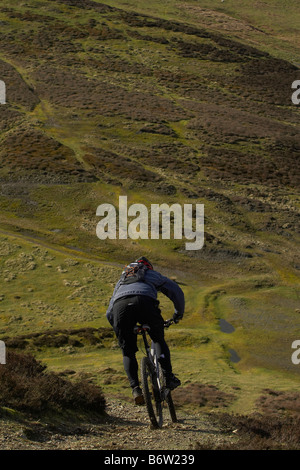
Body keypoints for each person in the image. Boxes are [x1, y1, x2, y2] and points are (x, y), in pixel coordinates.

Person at [106, 256, 185, 405]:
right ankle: (169, 379)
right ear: (148, 266)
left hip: (120, 308)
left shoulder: (121, 281)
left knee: (128, 352)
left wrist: (120, 328)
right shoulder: (150, 273)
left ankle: (136, 388)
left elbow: (109, 313)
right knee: (157, 339)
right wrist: (177, 314)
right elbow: (175, 291)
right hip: (145, 303)